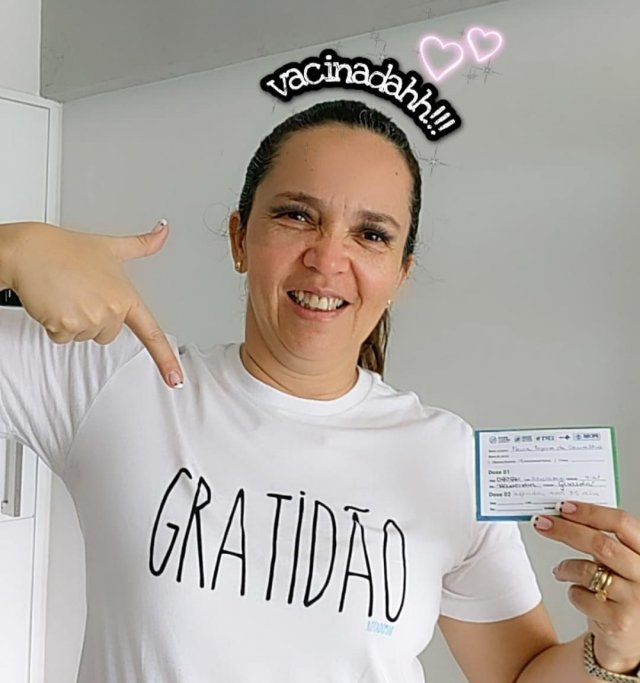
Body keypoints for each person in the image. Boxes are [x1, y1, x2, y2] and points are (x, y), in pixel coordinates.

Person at [0, 98, 639, 683]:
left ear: (400, 274)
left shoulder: (446, 456)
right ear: (240, 239)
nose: (328, 259)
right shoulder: (116, 385)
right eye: (297, 216)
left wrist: (619, 652)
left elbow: (519, 675)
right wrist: (12, 248)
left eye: (372, 234)